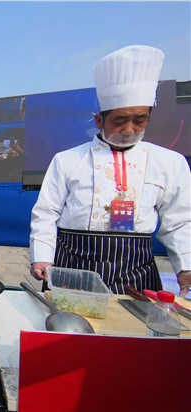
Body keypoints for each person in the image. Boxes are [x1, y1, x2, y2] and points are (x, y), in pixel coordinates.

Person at [29, 45, 191, 296]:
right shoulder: (67, 159)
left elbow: (179, 221)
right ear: (99, 120)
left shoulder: (170, 162)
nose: (129, 129)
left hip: (136, 270)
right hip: (73, 265)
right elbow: (46, 212)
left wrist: (186, 266)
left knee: (135, 322)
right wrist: (41, 257)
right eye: (119, 121)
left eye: (139, 120)